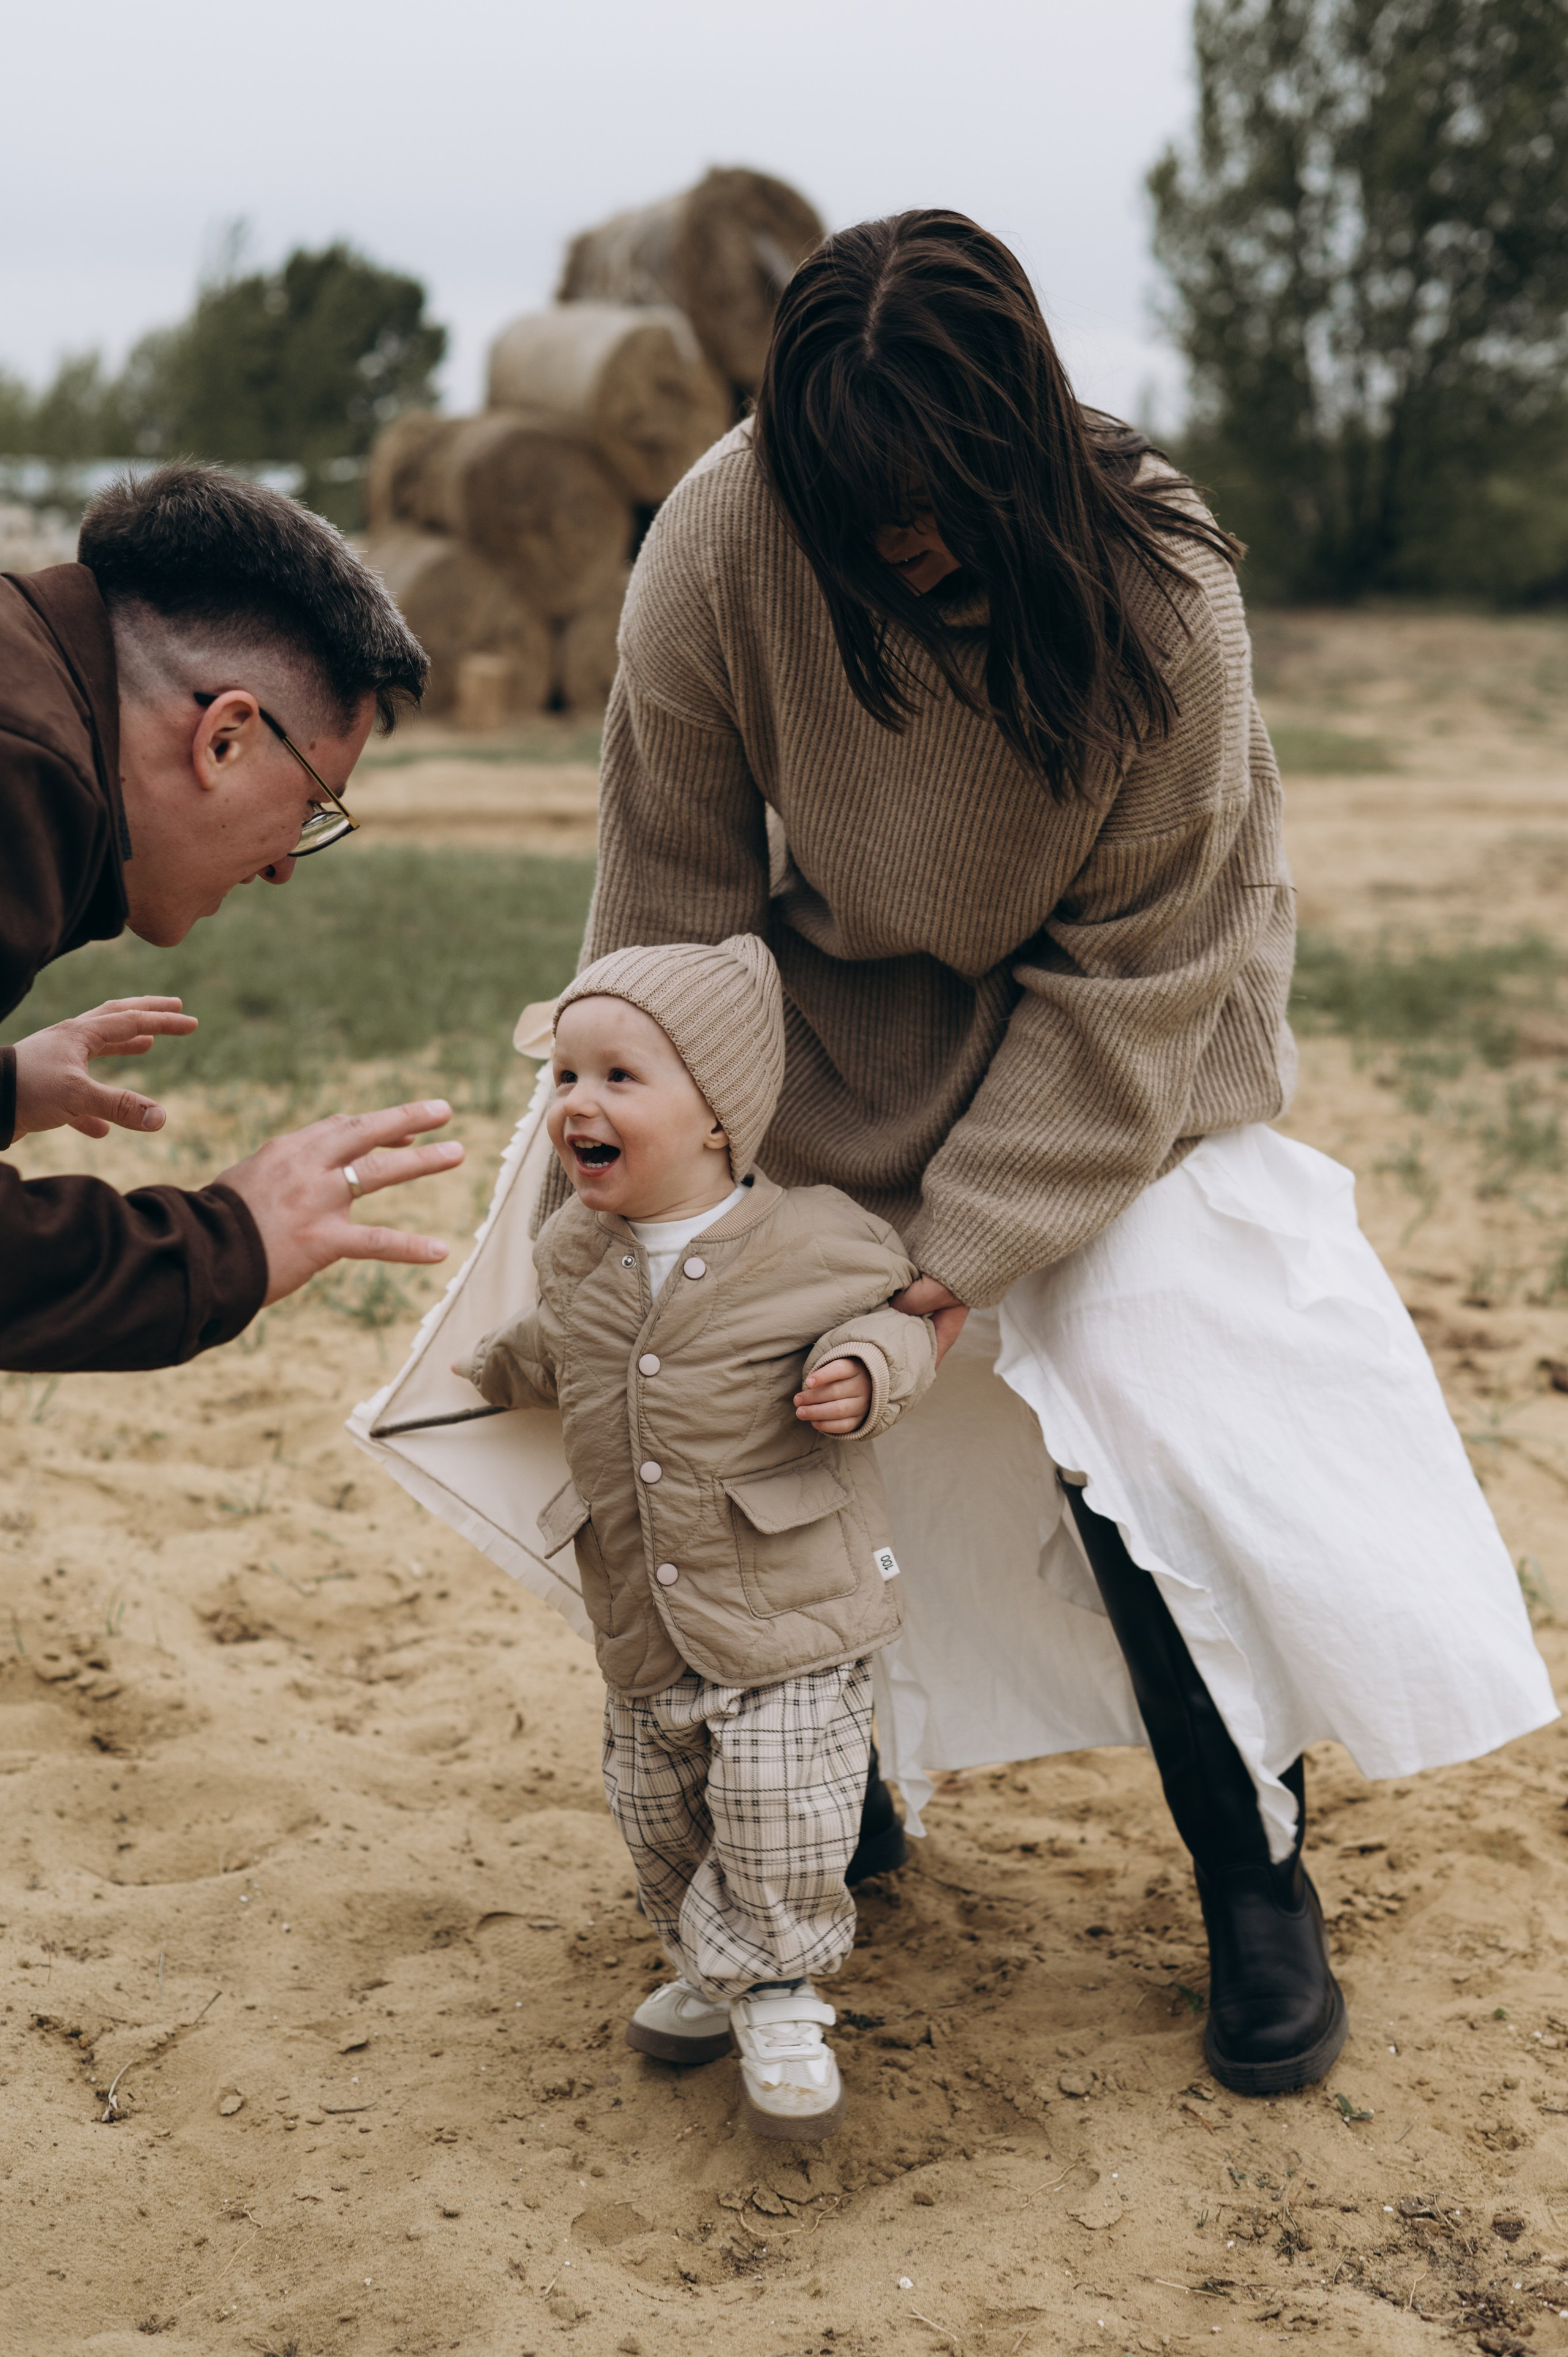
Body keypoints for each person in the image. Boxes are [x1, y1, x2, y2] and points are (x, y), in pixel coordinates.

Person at [556, 211, 1558, 2097]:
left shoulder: (1166, 596)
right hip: (839, 1030)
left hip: (1125, 1061)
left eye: (924, 501)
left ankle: (1251, 1867)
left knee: (1139, 1422)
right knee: (715, 1356)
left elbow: (1137, 990)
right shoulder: (725, 531)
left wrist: (944, 1283)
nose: (888, 543)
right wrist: (699, 1182)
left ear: (1017, 439)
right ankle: (815, 1783)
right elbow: (678, 899)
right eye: (848, 503)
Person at [457, 935, 937, 2139]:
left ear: (719, 1118)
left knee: (778, 1803)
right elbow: (563, 1346)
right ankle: (708, 1958)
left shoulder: (815, 1240)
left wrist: (866, 1371)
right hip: (642, 1603)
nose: (577, 1104)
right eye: (565, 1077)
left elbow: (904, 1326)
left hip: (789, 1600)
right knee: (656, 1801)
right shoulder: (572, 1245)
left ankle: (776, 1988)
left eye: (618, 1077)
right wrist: (491, 1365)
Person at [1, 463, 463, 1373]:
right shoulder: (24, 772)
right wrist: (229, 1241)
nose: (288, 864)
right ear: (225, 737)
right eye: (314, 802)